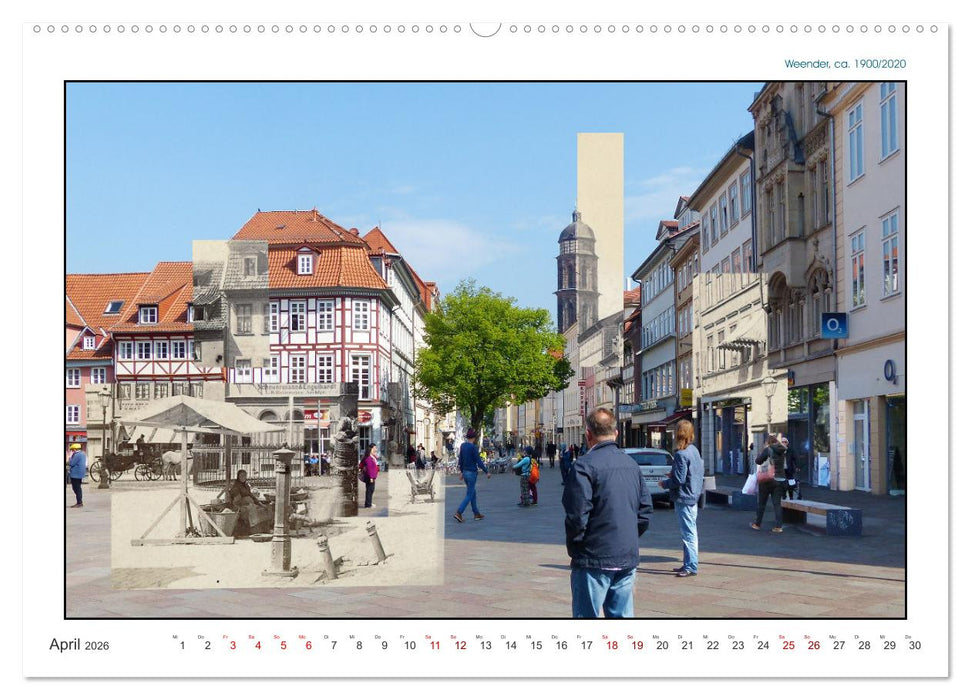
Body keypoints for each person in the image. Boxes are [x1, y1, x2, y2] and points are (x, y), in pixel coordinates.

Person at [563, 408, 652, 618]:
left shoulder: (583, 466)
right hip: (626, 555)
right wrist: (628, 536)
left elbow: (577, 515)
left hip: (593, 557)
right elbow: (645, 510)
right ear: (616, 433)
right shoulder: (631, 465)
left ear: (588, 434)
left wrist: (576, 546)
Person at [660, 420, 705, 577]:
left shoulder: (681, 454)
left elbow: (679, 480)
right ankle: (687, 563)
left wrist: (665, 483)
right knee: (689, 531)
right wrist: (673, 474)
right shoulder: (694, 450)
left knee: (688, 533)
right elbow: (693, 473)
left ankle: (691, 566)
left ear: (678, 433)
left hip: (684, 497)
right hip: (693, 496)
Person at [752, 433, 788, 533]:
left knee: (762, 503)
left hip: (768, 479)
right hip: (780, 479)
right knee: (777, 504)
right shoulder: (783, 450)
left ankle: (757, 524)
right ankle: (778, 527)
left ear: (768, 442)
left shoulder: (768, 449)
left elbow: (758, 461)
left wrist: (762, 453)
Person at [454, 429, 490, 522]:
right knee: (469, 494)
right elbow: (478, 461)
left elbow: (460, 460)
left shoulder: (463, 446)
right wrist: (486, 471)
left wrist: (461, 472)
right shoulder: (473, 447)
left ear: (467, 437)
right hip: (472, 473)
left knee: (472, 493)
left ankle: (476, 514)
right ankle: (459, 512)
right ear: (474, 438)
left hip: (465, 472)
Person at [227, 469, 272, 535]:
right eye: (241, 476)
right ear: (238, 477)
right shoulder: (235, 487)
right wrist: (245, 500)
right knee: (252, 509)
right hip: (239, 506)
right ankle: (254, 530)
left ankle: (264, 529)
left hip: (249, 504)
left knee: (265, 508)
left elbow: (252, 497)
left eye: (245, 476)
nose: (243, 477)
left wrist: (261, 504)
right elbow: (236, 501)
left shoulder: (246, 486)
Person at [359, 443, 379, 508]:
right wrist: (371, 477)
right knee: (370, 490)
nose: (376, 449)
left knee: (370, 490)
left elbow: (361, 464)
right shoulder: (369, 458)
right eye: (375, 448)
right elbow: (370, 468)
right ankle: (368, 504)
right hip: (370, 477)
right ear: (371, 449)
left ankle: (369, 503)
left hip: (371, 476)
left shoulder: (370, 457)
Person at [67, 443, 87, 508]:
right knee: (78, 488)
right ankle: (79, 502)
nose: (72, 451)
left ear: (75, 449)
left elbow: (71, 463)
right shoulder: (83, 454)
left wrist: (69, 458)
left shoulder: (77, 455)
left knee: (76, 488)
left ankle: (79, 502)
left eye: (72, 450)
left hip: (76, 474)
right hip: (80, 474)